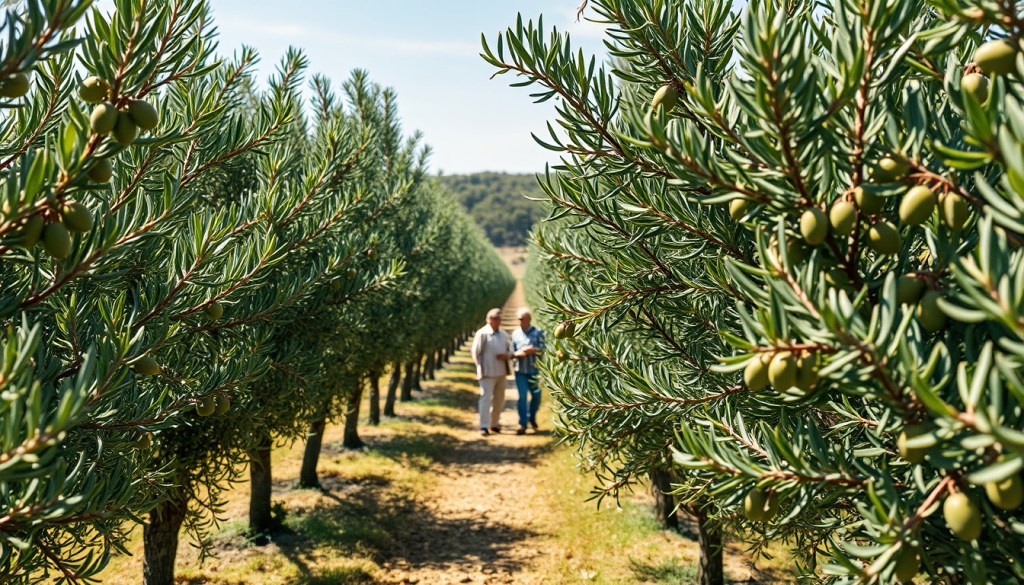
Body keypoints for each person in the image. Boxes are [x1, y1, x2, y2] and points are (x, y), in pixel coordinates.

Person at [470, 308, 511, 436]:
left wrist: (506, 356)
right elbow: (475, 352)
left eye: (499, 318)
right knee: (486, 399)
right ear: (489, 320)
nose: (497, 321)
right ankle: (484, 425)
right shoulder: (482, 334)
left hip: (501, 372)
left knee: (499, 399)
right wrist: (479, 368)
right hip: (487, 372)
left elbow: (511, 350)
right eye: (495, 318)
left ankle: (494, 423)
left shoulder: (503, 334)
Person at [511, 307, 545, 435]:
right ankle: (522, 424)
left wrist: (533, 350)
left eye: (522, 319)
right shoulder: (515, 334)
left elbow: (543, 349)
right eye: (518, 319)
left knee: (536, 396)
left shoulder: (538, 332)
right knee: (522, 397)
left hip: (534, 370)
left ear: (529, 319)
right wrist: (518, 353)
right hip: (520, 370)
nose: (520, 321)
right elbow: (511, 352)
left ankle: (532, 417)